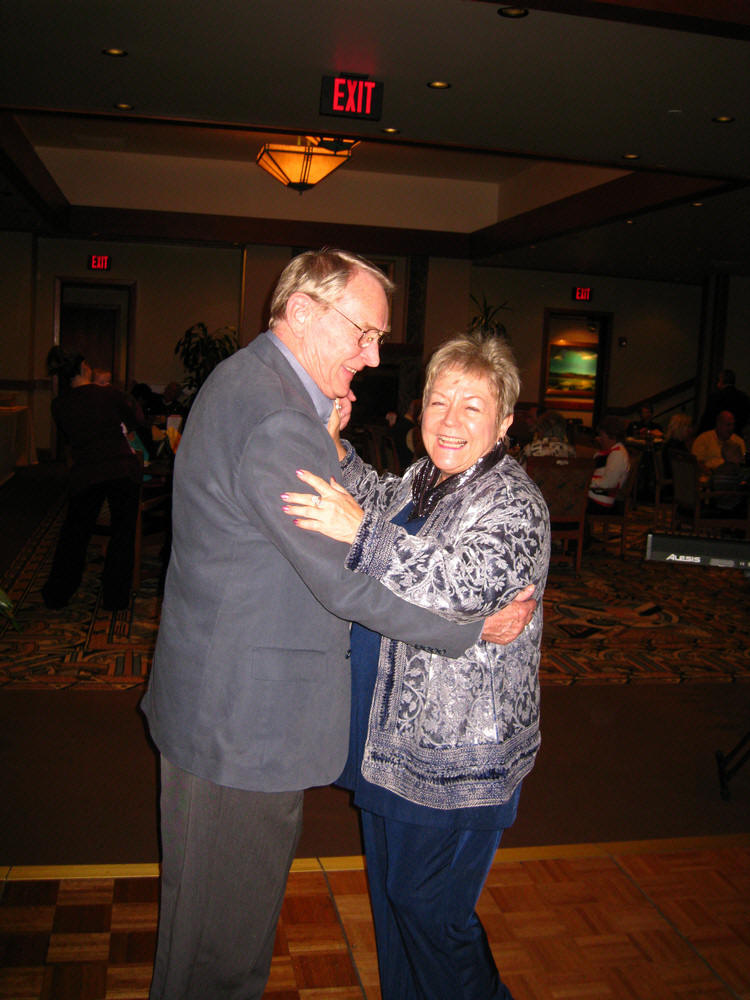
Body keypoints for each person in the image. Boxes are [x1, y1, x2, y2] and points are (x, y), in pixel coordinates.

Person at [140, 249, 536, 1000]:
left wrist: (333, 456)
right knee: (219, 952)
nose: (372, 354)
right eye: (364, 333)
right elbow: (351, 566)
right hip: (244, 726)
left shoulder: (249, 384)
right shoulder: (280, 420)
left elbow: (392, 533)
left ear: (506, 421)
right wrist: (468, 631)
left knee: (211, 933)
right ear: (303, 313)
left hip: (397, 739)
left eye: (472, 406)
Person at [282, 333, 550, 1000]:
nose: (449, 421)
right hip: (391, 744)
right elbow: (379, 501)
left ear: (505, 421)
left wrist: (363, 537)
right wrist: (339, 448)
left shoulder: (514, 502)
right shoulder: (425, 477)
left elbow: (465, 583)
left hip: (458, 760)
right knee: (394, 906)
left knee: (430, 912)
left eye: (471, 406)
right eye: (437, 402)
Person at [42, 347, 141, 611]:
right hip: (120, 469)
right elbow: (135, 421)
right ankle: (115, 598)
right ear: (85, 367)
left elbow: (71, 438)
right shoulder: (108, 393)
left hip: (86, 472)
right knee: (122, 534)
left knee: (74, 534)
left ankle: (57, 594)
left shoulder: (59, 405)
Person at [587, 415, 630, 512]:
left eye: (602, 435)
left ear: (612, 436)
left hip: (602, 501)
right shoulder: (611, 452)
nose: (599, 439)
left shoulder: (618, 454)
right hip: (596, 496)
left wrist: (585, 482)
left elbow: (608, 483)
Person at [699, 368, 749, 436]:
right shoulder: (743, 397)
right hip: (736, 434)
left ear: (721, 381)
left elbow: (708, 418)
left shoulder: (715, 397)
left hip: (717, 436)